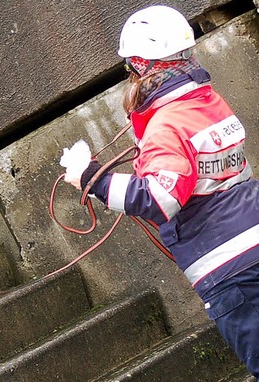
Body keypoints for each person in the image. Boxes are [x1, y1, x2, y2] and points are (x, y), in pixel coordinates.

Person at [61, 5, 259, 377]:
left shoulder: (166, 124)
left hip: (229, 267)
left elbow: (158, 198)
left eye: (129, 67)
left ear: (139, 64)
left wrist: (92, 179)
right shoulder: (209, 102)